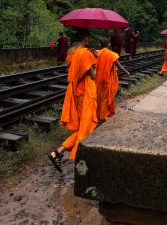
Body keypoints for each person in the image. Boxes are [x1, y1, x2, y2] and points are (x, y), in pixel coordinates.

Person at [47, 28, 98, 172]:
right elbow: (93, 75)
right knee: (87, 126)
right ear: (86, 39)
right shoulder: (85, 54)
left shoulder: (72, 52)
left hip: (75, 92)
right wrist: (96, 59)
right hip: (85, 94)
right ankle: (60, 152)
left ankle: (58, 153)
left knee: (84, 125)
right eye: (89, 40)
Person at [95, 39, 130, 121]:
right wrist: (127, 73)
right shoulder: (112, 54)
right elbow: (120, 67)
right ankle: (102, 117)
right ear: (109, 44)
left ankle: (96, 114)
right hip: (106, 79)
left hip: (97, 78)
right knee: (104, 98)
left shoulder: (97, 53)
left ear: (100, 45)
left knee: (97, 97)